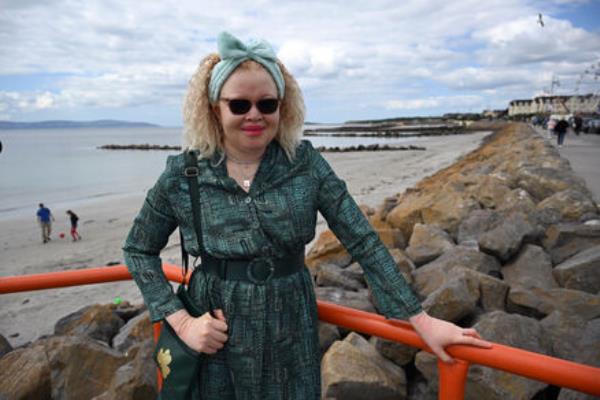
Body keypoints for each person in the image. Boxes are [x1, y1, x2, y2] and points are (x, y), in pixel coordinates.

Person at [123, 31, 491, 399]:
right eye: (239, 105)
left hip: (290, 326)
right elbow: (138, 250)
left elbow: (360, 237)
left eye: (267, 104)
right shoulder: (184, 174)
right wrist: (182, 322)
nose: (255, 115)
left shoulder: (306, 164)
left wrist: (419, 319)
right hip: (215, 332)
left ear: (283, 107)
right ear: (214, 108)